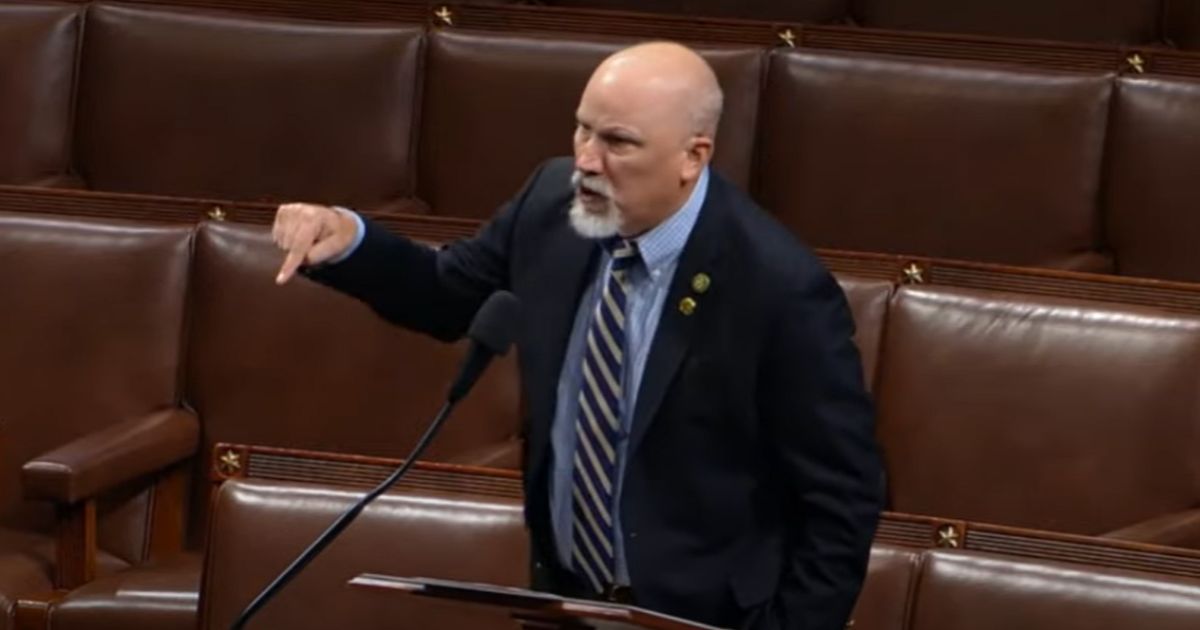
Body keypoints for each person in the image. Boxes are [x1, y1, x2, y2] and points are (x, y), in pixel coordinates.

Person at [271, 41, 883, 630]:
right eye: (583, 129)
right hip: (563, 603)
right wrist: (347, 239)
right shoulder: (550, 206)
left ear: (692, 157)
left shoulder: (779, 288)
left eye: (617, 141)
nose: (587, 159)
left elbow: (842, 500)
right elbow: (444, 295)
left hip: (703, 615)